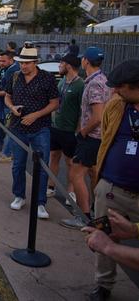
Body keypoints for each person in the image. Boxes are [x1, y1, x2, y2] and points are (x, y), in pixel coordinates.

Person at [86, 59, 139, 301]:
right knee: (104, 236)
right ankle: (103, 285)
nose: (115, 90)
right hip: (112, 188)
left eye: (121, 87)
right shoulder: (117, 105)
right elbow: (107, 134)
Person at [4, 47, 59, 219]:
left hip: (40, 128)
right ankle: (19, 195)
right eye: (21, 63)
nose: (23, 66)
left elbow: (54, 103)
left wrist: (36, 115)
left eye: (27, 63)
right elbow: (7, 96)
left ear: (35, 62)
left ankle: (40, 202)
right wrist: (12, 107)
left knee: (42, 167)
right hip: (18, 127)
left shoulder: (47, 79)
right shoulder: (15, 76)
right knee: (18, 164)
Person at [60, 47, 111, 230]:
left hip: (91, 137)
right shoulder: (103, 80)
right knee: (92, 174)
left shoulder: (95, 83)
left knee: (76, 173)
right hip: (97, 138)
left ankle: (84, 216)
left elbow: (98, 115)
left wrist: (83, 131)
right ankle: (96, 213)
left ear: (85, 62)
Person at [47, 53, 83, 202]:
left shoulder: (80, 85)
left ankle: (71, 192)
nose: (59, 66)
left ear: (68, 65)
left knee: (70, 163)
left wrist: (79, 130)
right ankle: (51, 187)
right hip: (56, 127)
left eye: (61, 63)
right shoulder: (62, 81)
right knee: (54, 157)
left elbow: (83, 110)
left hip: (70, 130)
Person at [0, 51, 20, 162]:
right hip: (10, 103)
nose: (1, 63)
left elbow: (10, 90)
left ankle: (7, 154)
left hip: (11, 104)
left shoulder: (12, 71)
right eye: (0, 61)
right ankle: (12, 153)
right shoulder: (10, 69)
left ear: (11, 60)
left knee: (11, 130)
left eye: (4, 61)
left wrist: (0, 93)